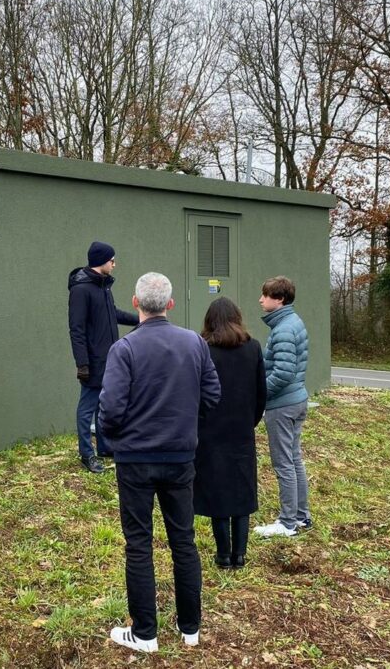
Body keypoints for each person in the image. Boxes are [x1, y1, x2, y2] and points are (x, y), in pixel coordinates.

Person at [98, 272, 220, 653]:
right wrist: (185, 426)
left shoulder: (125, 349)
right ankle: (190, 629)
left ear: (135, 304)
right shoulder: (194, 344)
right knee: (183, 540)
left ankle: (146, 633)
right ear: (169, 304)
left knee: (139, 544)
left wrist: (116, 440)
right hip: (180, 457)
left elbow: (110, 409)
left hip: (135, 460)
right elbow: (212, 396)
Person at [193, 297, 266, 569]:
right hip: (241, 431)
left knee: (217, 492)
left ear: (209, 320)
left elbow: (197, 392)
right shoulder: (253, 348)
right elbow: (262, 393)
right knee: (242, 491)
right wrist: (249, 422)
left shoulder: (203, 350)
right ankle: (240, 555)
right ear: (237, 317)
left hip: (210, 432)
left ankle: (223, 555)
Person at [67, 241, 138, 473]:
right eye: (112, 260)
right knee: (87, 407)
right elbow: (76, 329)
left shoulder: (103, 286)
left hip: (109, 358)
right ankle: (86, 454)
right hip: (93, 361)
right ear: (102, 261)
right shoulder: (81, 289)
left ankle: (105, 447)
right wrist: (82, 364)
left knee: (103, 404)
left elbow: (112, 313)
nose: (115, 264)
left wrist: (140, 318)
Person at [253, 276, 311, 538]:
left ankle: (287, 523)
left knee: (284, 463)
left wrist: (259, 391)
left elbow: (284, 373)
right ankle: (301, 517)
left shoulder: (284, 329)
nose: (261, 300)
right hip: (296, 400)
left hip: (283, 405)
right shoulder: (290, 322)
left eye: (265, 295)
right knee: (294, 459)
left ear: (279, 299)